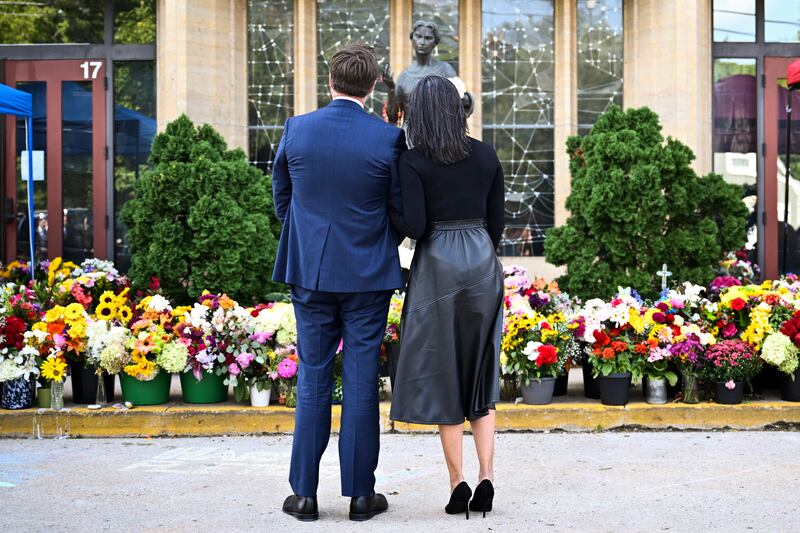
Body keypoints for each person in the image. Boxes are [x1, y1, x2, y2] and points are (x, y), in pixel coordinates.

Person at [272, 44, 406, 522]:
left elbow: (282, 197)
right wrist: (378, 240)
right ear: (372, 87)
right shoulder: (388, 139)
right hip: (368, 274)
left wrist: (308, 236)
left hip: (310, 271)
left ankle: (304, 495)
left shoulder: (297, 128)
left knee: (312, 376)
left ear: (330, 81)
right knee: (362, 378)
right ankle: (361, 496)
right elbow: (399, 209)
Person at [389, 75, 505, 519]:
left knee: (446, 371)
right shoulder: (486, 155)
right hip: (480, 262)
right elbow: (496, 226)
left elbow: (414, 227)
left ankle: (457, 482)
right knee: (481, 369)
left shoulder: (414, 161)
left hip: (438, 264)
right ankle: (487, 476)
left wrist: (388, 207)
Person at [383, 20, 473, 126]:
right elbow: (393, 116)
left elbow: (462, 105)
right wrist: (391, 89)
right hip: (410, 136)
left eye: (428, 38)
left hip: (438, 134)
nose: (422, 42)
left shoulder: (445, 70)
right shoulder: (404, 76)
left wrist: (465, 98)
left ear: (435, 42)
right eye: (418, 36)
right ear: (412, 39)